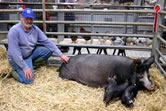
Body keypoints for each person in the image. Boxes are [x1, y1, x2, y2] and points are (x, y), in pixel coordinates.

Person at [7, 8, 69, 84]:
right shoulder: (14, 31)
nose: (29, 21)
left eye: (31, 19)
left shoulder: (35, 29)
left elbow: (47, 41)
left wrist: (60, 54)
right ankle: (13, 71)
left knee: (47, 51)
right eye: (27, 18)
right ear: (21, 17)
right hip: (17, 58)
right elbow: (15, 52)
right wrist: (25, 67)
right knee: (28, 80)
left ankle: (32, 66)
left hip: (29, 54)